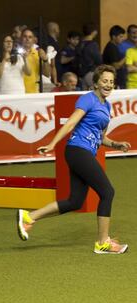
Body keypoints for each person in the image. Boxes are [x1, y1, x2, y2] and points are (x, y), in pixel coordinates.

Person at [17, 65, 130, 254]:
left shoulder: (106, 105)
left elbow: (101, 137)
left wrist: (116, 144)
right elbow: (71, 122)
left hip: (82, 152)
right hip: (78, 150)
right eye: (104, 81)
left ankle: (28, 217)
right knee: (107, 192)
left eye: (111, 81)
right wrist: (52, 144)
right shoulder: (88, 99)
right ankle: (103, 242)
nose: (108, 85)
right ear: (95, 83)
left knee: (75, 201)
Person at [21, 28, 51, 93]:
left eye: (30, 37)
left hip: (33, 92)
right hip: (18, 91)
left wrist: (45, 60)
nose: (27, 39)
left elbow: (47, 74)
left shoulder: (38, 53)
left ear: (34, 40)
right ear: (21, 38)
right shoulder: (15, 53)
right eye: (25, 36)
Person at [76, 23, 102, 90]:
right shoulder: (93, 44)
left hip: (80, 74)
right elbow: (98, 60)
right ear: (94, 32)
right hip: (91, 72)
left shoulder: (79, 44)